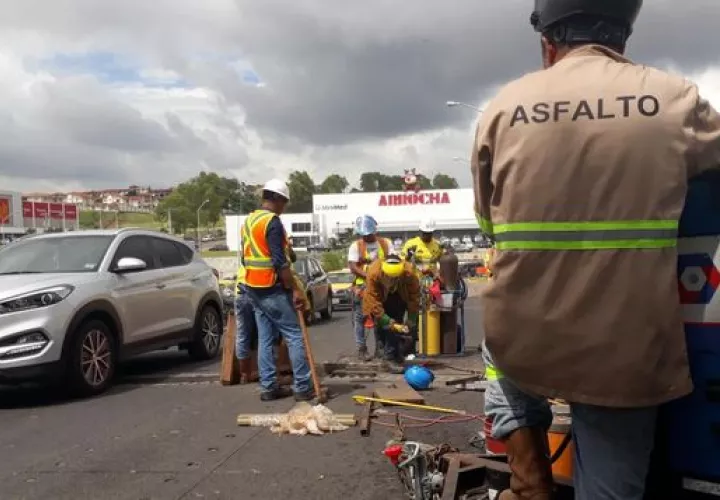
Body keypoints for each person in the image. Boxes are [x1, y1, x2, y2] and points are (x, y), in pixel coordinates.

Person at [471, 1, 720, 498]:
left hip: (525, 339)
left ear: (548, 45)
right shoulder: (675, 98)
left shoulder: (502, 107)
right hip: (623, 348)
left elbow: (488, 223)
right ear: (623, 42)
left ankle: (529, 478)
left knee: (499, 350)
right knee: (610, 485)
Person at [241, 179, 314, 402]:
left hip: (252, 286)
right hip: (271, 286)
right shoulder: (272, 222)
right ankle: (302, 386)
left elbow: (244, 257)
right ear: (278, 199)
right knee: (294, 335)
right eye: (285, 202)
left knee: (265, 337)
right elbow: (279, 261)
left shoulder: (250, 220)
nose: (285, 207)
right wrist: (294, 290)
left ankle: (268, 387)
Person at [362, 254, 421, 373]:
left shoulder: (409, 273)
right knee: (384, 324)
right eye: (389, 277)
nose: (391, 280)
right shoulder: (374, 273)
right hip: (380, 297)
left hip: (399, 294)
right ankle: (387, 357)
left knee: (396, 322)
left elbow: (414, 297)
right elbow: (372, 300)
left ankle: (394, 354)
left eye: (395, 277)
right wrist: (387, 320)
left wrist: (411, 318)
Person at [347, 215, 394, 361]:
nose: (366, 236)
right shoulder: (356, 246)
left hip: (382, 287)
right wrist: (369, 276)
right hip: (362, 288)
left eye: (369, 233)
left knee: (380, 317)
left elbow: (393, 261)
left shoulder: (386, 244)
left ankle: (380, 348)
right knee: (360, 318)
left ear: (375, 230)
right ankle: (362, 349)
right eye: (364, 234)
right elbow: (353, 266)